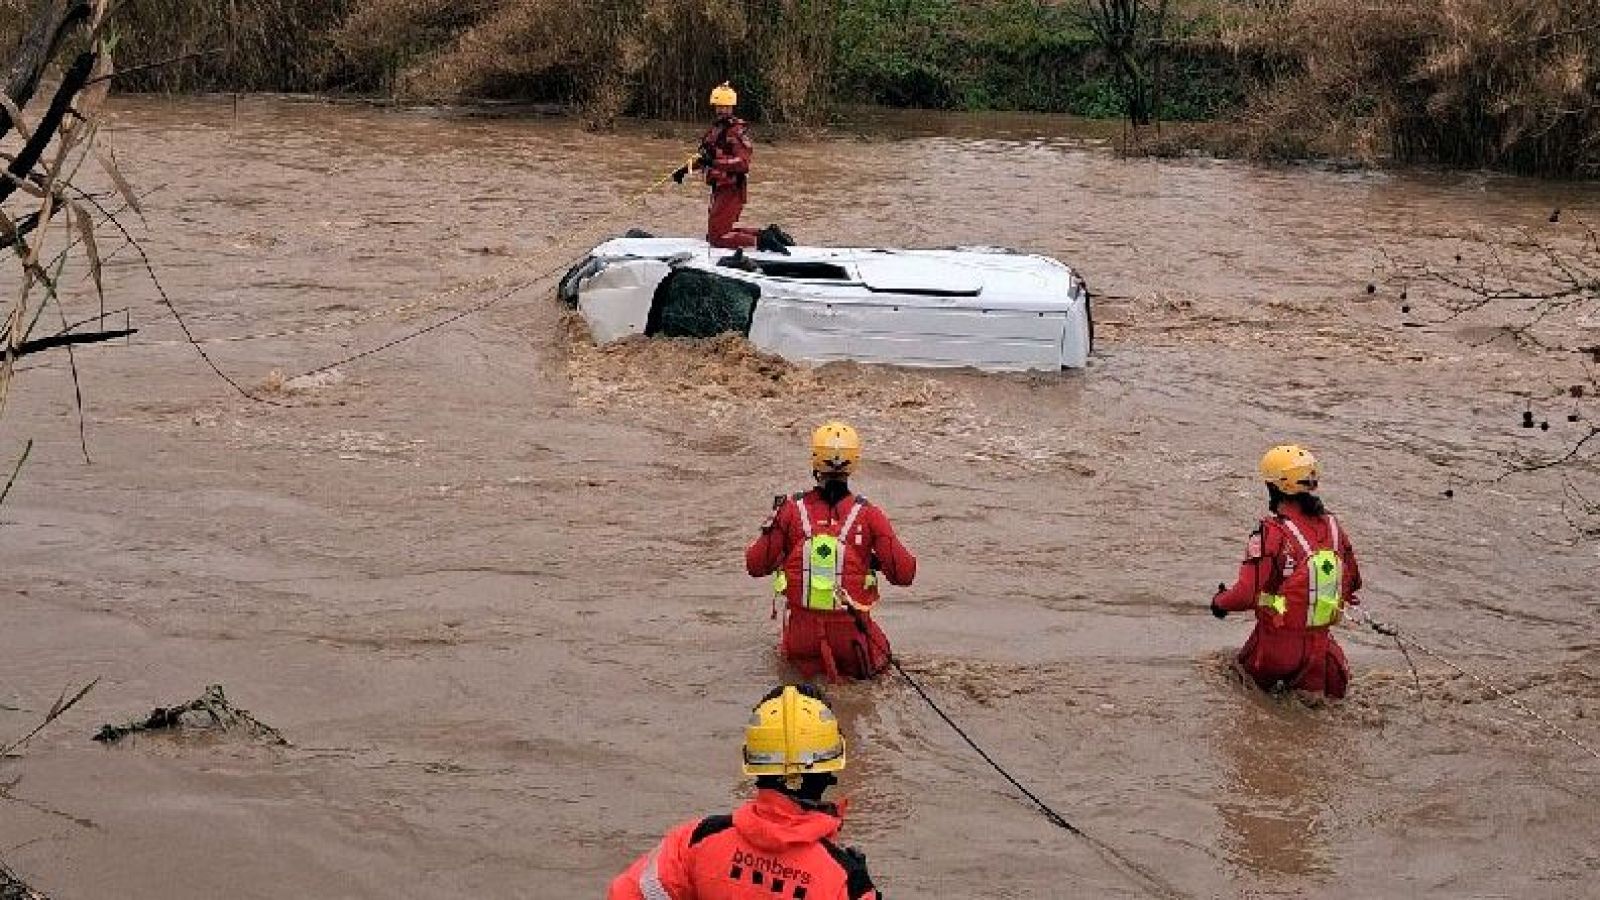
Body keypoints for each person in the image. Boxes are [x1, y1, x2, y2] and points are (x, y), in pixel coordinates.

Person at [608, 684, 882, 900]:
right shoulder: (845, 880)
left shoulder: (696, 839)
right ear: (831, 770)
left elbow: (626, 894)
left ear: (753, 764)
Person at [746, 422, 916, 681]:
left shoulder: (789, 510)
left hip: (800, 640)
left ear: (815, 461)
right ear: (854, 463)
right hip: (852, 641)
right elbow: (905, 574)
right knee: (881, 668)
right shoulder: (870, 515)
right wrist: (871, 561)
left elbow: (755, 565)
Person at [1210, 444, 1363, 699]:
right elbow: (1354, 583)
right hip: (1322, 658)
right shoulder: (1335, 529)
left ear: (1273, 487)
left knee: (1222, 676)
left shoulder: (1271, 532)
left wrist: (1219, 602)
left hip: (1273, 652)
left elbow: (1246, 595)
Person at [672, 82, 792, 254]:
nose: (721, 110)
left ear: (731, 107)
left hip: (732, 187)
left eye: (725, 106)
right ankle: (767, 234)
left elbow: (742, 163)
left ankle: (762, 241)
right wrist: (685, 169)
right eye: (718, 106)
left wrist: (714, 162)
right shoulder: (715, 130)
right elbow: (705, 157)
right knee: (715, 235)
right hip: (719, 187)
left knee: (718, 238)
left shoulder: (736, 132)